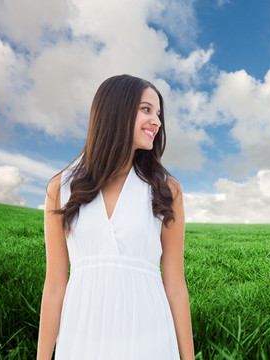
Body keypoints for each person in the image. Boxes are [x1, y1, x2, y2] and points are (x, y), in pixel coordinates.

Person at [37, 74, 194, 359]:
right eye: (146, 109)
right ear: (115, 110)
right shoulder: (60, 188)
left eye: (158, 113)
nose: (157, 121)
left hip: (151, 335)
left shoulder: (167, 190)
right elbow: (55, 286)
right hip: (81, 336)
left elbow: (175, 286)